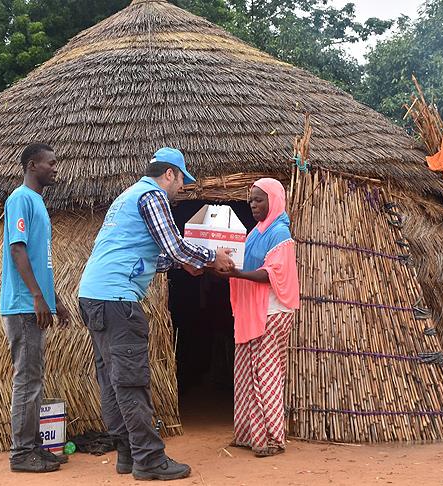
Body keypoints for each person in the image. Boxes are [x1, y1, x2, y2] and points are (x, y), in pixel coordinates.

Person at [78, 147, 235, 481]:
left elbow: (155, 255)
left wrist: (188, 263)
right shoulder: (152, 197)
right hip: (117, 299)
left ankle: (126, 454)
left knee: (112, 380)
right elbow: (175, 246)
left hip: (94, 295)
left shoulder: (127, 197)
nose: (181, 189)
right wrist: (210, 257)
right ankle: (148, 459)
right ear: (169, 174)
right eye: (181, 181)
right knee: (132, 380)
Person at [0, 143, 71, 473]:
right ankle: (21, 453)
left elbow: (40, 261)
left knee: (34, 379)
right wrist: (37, 298)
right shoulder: (20, 199)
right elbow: (18, 251)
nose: (55, 168)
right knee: (27, 380)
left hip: (35, 303)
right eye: (50, 163)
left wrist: (53, 300)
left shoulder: (38, 203)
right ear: (32, 165)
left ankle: (33, 447)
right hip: (23, 306)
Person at [219, 178, 299, 457]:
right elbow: (241, 262)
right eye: (251, 200)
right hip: (253, 312)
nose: (252, 204)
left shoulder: (279, 233)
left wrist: (237, 273)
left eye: (259, 199)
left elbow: (272, 273)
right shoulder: (256, 232)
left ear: (274, 200)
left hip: (271, 312)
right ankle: (250, 434)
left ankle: (273, 439)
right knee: (247, 373)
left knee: (265, 375)